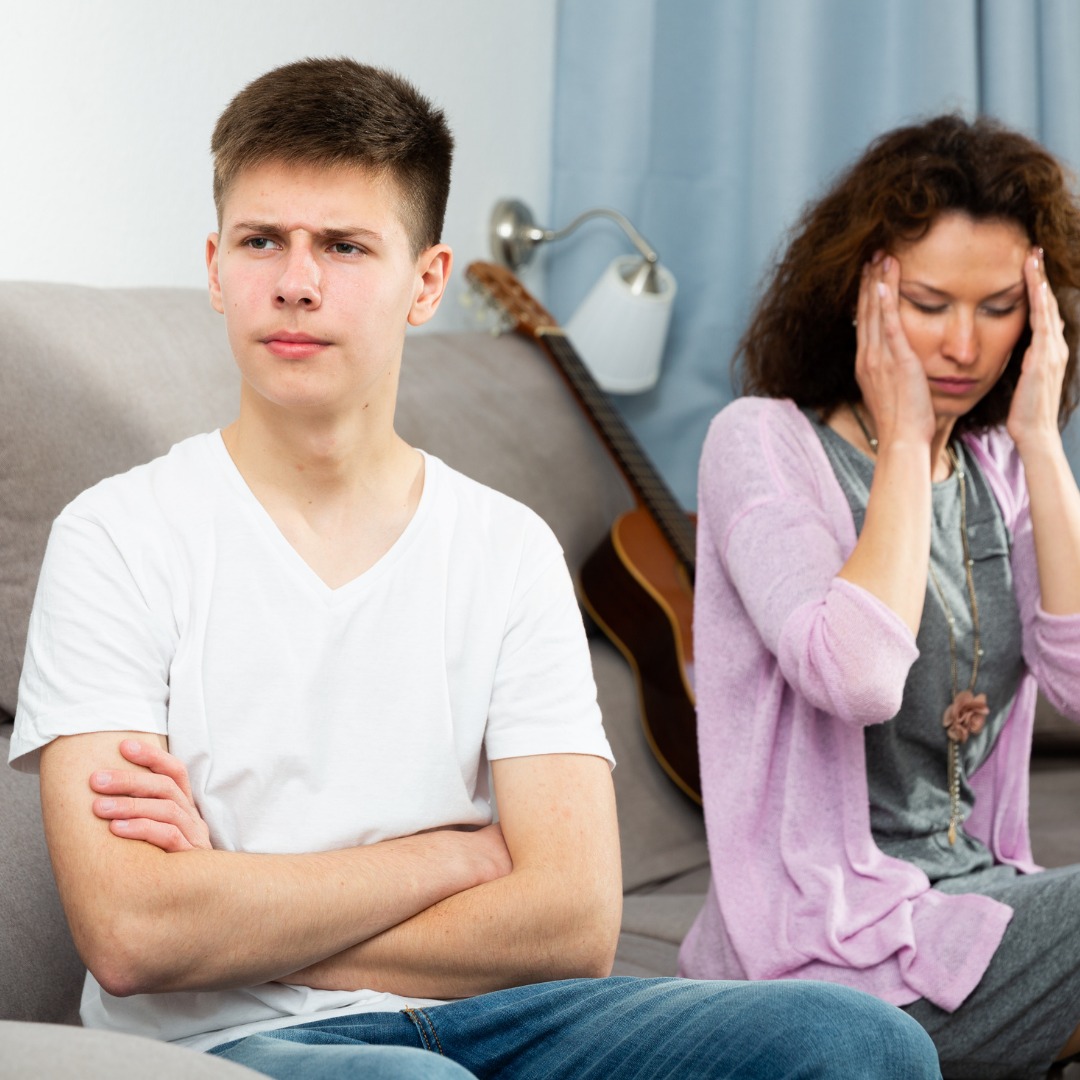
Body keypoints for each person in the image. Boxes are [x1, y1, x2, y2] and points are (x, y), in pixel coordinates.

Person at [7, 58, 937, 1080]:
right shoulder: (117, 537)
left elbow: (573, 922)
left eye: (345, 246)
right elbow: (136, 936)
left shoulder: (506, 547)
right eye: (261, 240)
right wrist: (454, 858)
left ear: (428, 283)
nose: (296, 281)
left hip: (510, 1018)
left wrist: (232, 904)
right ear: (216, 266)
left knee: (859, 1039)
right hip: (230, 1037)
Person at [680, 114, 1080, 1080]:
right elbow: (858, 677)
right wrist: (904, 442)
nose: (961, 346)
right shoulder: (762, 444)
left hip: (975, 908)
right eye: (930, 303)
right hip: (827, 956)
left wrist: (1038, 437)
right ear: (862, 292)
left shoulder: (998, 466)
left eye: (996, 309)